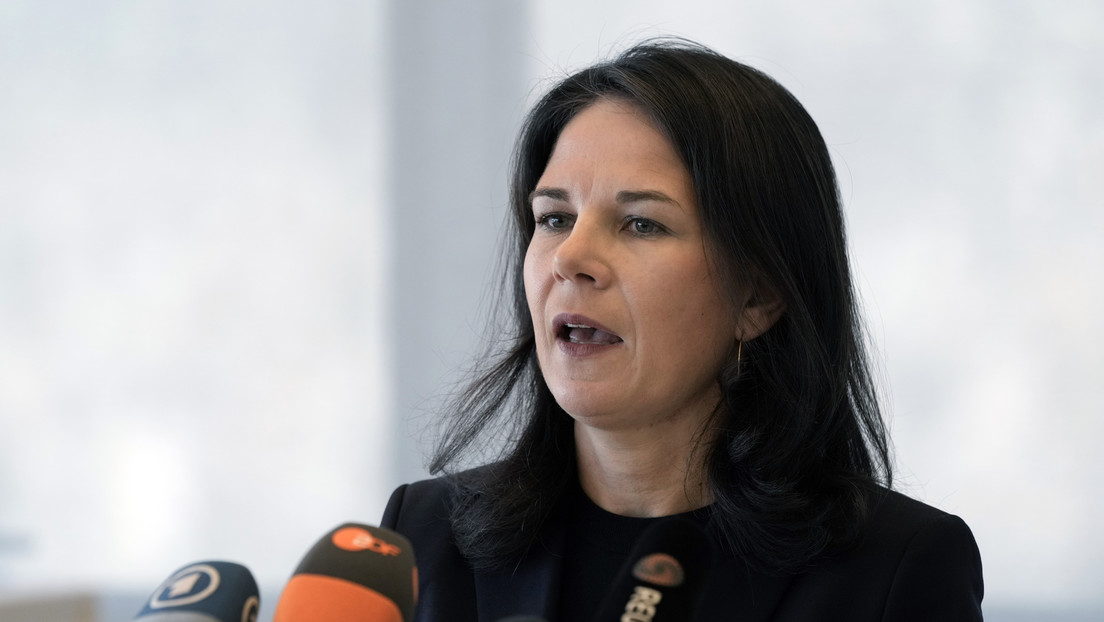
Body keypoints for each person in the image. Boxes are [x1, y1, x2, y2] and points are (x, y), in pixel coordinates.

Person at [382, 38, 983, 621]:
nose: (571, 257)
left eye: (641, 224)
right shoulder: (422, 539)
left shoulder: (897, 570)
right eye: (555, 217)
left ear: (758, 296)